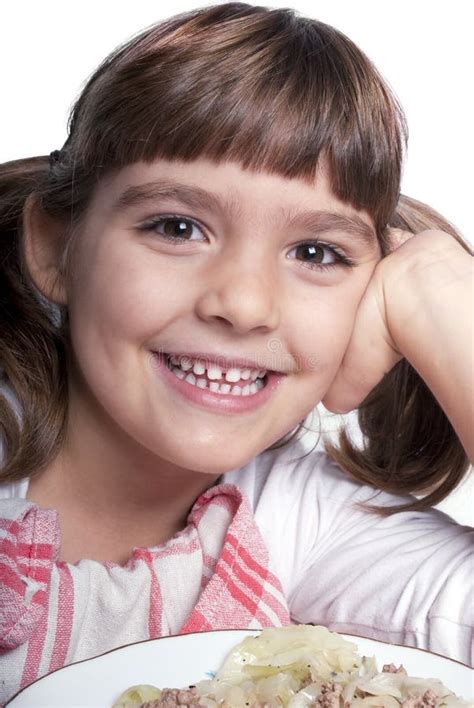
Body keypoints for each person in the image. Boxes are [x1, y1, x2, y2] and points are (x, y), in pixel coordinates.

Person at [0, 2, 472, 702]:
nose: (245, 304)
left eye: (316, 252)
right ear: (54, 246)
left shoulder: (297, 521)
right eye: (177, 226)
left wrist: (447, 305)